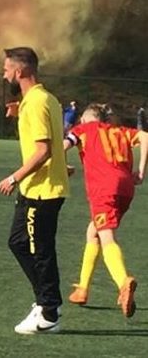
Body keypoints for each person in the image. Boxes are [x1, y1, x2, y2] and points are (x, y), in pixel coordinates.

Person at [0, 47, 69, 335]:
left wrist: (13, 177)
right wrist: (18, 114)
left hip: (42, 190)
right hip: (36, 187)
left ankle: (49, 313)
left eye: (6, 69)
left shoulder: (37, 102)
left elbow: (44, 150)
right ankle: (46, 302)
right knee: (18, 242)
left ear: (20, 71)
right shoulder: (43, 99)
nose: (4, 74)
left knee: (40, 250)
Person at [64, 103, 147, 318]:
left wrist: (63, 166)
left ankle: (123, 282)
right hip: (126, 188)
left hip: (104, 188)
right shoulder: (118, 130)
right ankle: (82, 289)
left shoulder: (83, 130)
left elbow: (61, 146)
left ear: (84, 119)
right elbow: (145, 136)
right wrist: (140, 171)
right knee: (94, 232)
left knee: (106, 236)